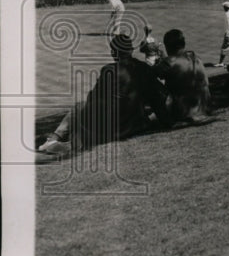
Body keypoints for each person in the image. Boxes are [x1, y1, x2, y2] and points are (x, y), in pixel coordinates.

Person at [37, 35, 171, 159]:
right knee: (82, 109)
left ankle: (54, 140)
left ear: (114, 53)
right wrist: (166, 122)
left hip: (115, 127)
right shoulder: (144, 68)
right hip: (137, 124)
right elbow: (157, 98)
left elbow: (93, 100)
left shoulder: (109, 70)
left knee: (79, 107)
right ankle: (56, 140)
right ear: (130, 50)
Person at [157, 29, 212, 122]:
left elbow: (151, 74)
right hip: (204, 107)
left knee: (152, 84)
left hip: (183, 111)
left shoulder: (169, 62)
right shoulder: (195, 58)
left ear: (168, 46)